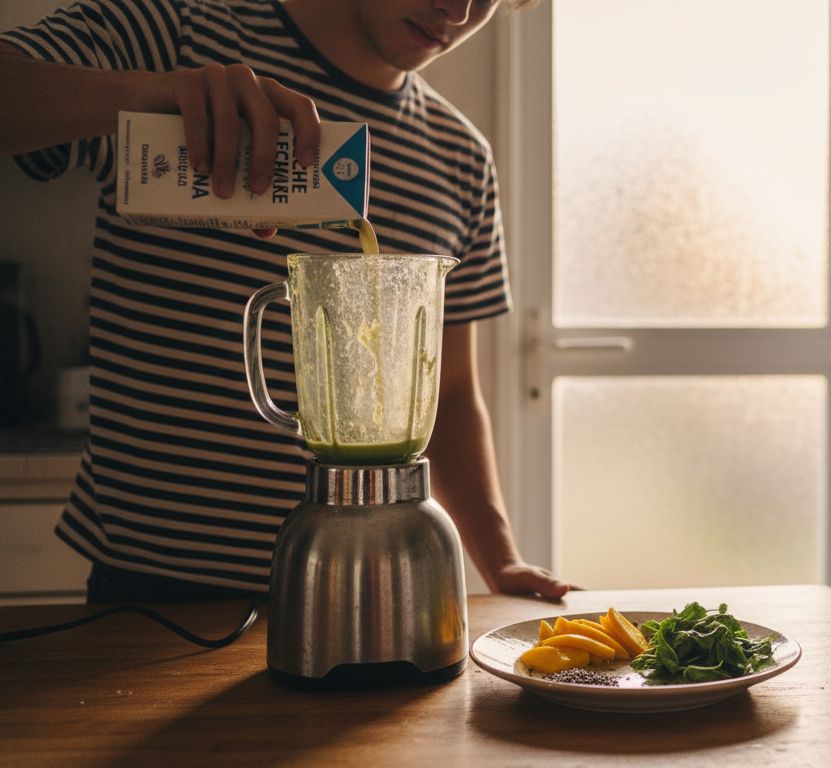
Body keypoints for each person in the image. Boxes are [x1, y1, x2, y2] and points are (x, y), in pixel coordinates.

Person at [0, 0, 571, 602]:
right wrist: (146, 94)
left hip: (358, 592)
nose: (458, 9)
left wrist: (502, 561)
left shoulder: (461, 157)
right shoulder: (177, 38)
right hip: (153, 591)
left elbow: (450, 394)